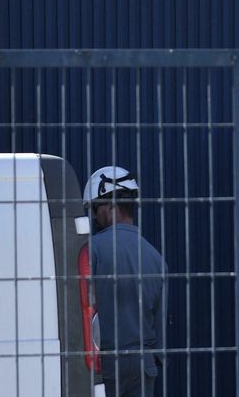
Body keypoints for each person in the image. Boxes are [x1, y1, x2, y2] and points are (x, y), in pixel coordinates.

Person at [84, 165, 167, 396]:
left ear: (110, 206)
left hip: (106, 364)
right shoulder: (156, 258)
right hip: (143, 364)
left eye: (95, 208)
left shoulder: (92, 251)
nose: (94, 216)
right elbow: (159, 328)